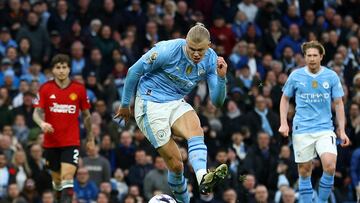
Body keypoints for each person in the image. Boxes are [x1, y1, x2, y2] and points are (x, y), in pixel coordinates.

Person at [115, 23, 228, 203]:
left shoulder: (211, 59)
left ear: (209, 46)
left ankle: (203, 178)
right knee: (176, 166)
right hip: (149, 103)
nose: (196, 54)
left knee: (196, 131)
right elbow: (133, 71)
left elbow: (218, 101)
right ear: (185, 42)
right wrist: (124, 104)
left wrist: (221, 79)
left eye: (201, 50)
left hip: (175, 101)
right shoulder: (167, 51)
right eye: (192, 49)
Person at [279, 41, 350, 203]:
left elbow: (339, 103)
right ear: (305, 57)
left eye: (314, 56)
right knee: (304, 171)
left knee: (330, 166)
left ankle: (322, 201)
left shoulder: (331, 76)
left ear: (321, 57)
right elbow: (285, 99)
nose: (311, 59)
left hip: (325, 128)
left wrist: (342, 130)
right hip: (302, 128)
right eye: (308, 55)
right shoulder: (296, 75)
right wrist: (284, 123)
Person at [33, 54, 94, 203]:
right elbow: (36, 112)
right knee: (57, 181)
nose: (61, 71)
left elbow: (86, 115)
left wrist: (90, 138)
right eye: (58, 67)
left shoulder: (78, 89)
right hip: (51, 143)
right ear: (53, 70)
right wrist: (42, 123)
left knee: (68, 177)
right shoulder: (45, 89)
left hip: (71, 142)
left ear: (69, 69)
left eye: (64, 67)